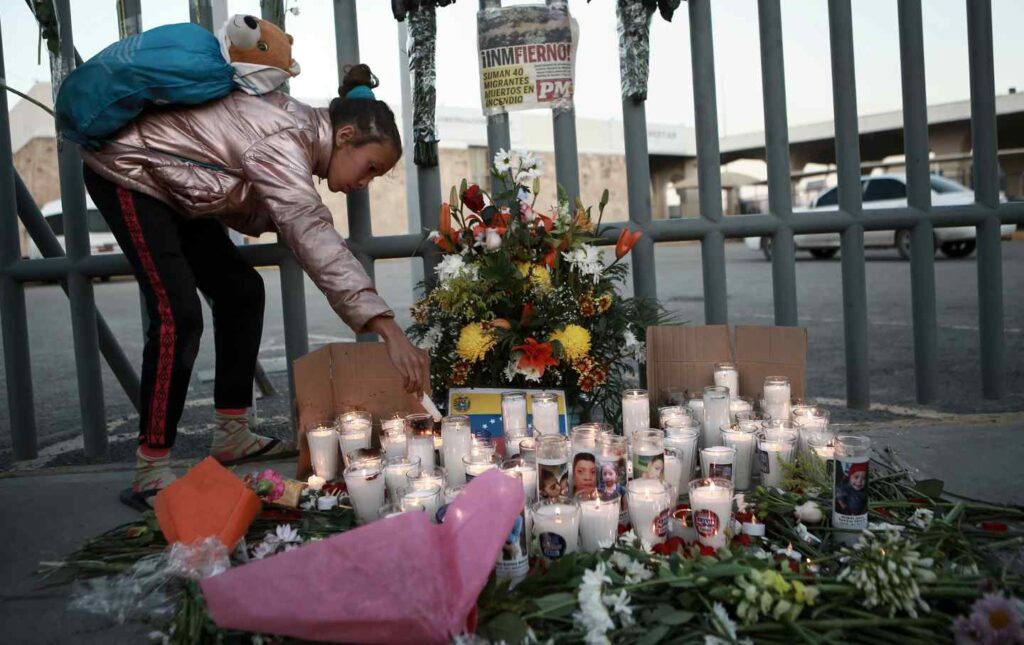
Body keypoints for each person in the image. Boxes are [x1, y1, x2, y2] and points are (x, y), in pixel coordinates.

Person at [82, 64, 428, 510]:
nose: (364, 184)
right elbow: (310, 230)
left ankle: (231, 432)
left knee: (242, 292)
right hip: (131, 170)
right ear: (344, 137)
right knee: (178, 316)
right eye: (370, 168)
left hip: (175, 188)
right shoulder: (287, 137)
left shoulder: (297, 138)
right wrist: (388, 329)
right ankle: (150, 467)